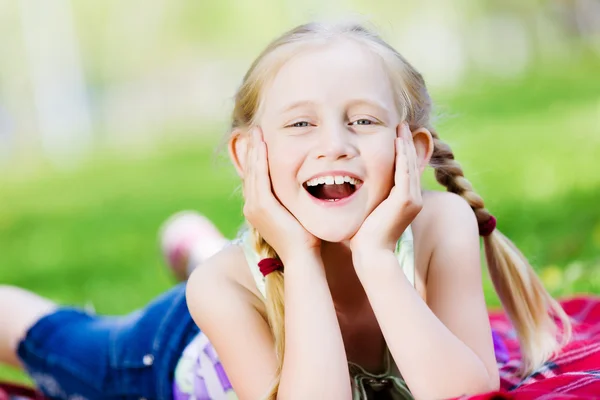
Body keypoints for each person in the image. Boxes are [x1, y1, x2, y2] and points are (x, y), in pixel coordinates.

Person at [0, 21, 573, 400]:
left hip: (257, 274)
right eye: (301, 123)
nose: (335, 144)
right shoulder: (220, 287)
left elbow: (465, 394)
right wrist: (298, 256)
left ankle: (191, 238)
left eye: (364, 120)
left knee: (226, 264)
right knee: (60, 344)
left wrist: (375, 260)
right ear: (249, 156)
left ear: (413, 149)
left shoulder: (439, 226)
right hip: (169, 346)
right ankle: (193, 251)